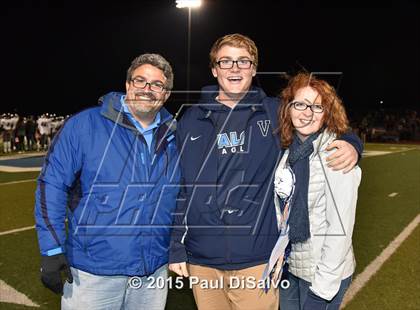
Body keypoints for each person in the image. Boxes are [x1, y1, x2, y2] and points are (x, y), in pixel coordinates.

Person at [168, 33, 362, 310]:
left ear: (254, 69)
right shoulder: (190, 120)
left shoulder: (274, 112)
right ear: (214, 69)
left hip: (257, 260)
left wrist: (352, 144)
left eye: (243, 61)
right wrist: (176, 245)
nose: (234, 68)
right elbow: (182, 189)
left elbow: (323, 126)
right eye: (226, 61)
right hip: (202, 261)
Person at [34, 53, 180, 310]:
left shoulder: (174, 135)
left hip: (153, 272)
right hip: (93, 272)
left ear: (166, 94)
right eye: (140, 81)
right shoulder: (85, 125)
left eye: (157, 84)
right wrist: (51, 248)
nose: (147, 89)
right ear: (127, 84)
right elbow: (52, 185)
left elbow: (181, 198)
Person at [272, 73, 361, 310]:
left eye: (317, 107)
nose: (307, 112)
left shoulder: (337, 154)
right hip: (290, 267)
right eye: (300, 104)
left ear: (327, 113)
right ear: (288, 108)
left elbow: (340, 230)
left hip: (323, 274)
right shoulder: (287, 152)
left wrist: (322, 290)